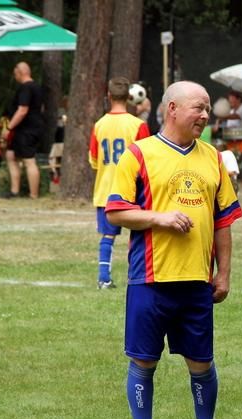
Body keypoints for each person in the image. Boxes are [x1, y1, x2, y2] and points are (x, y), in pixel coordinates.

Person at [106, 80, 242, 419]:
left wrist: (224, 273)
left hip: (197, 281)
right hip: (150, 279)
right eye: (198, 107)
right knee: (143, 361)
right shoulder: (139, 154)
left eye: (206, 108)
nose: (205, 115)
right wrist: (159, 218)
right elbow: (115, 211)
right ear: (172, 109)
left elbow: (224, 221)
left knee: (202, 362)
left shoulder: (213, 158)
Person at [88, 77, 150, 289]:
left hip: (106, 190)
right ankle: (141, 277)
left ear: (109, 96)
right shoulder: (138, 125)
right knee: (142, 233)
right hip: (133, 190)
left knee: (108, 236)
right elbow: (147, 157)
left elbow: (94, 160)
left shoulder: (99, 125)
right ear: (130, 97)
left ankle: (104, 278)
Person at [1, 62, 44, 198]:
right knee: (11, 155)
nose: (15, 77)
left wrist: (9, 127)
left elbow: (22, 110)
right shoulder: (37, 87)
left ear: (21, 73)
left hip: (27, 129)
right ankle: (14, 191)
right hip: (27, 129)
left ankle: (33, 194)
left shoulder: (26, 88)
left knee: (29, 160)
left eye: (15, 74)